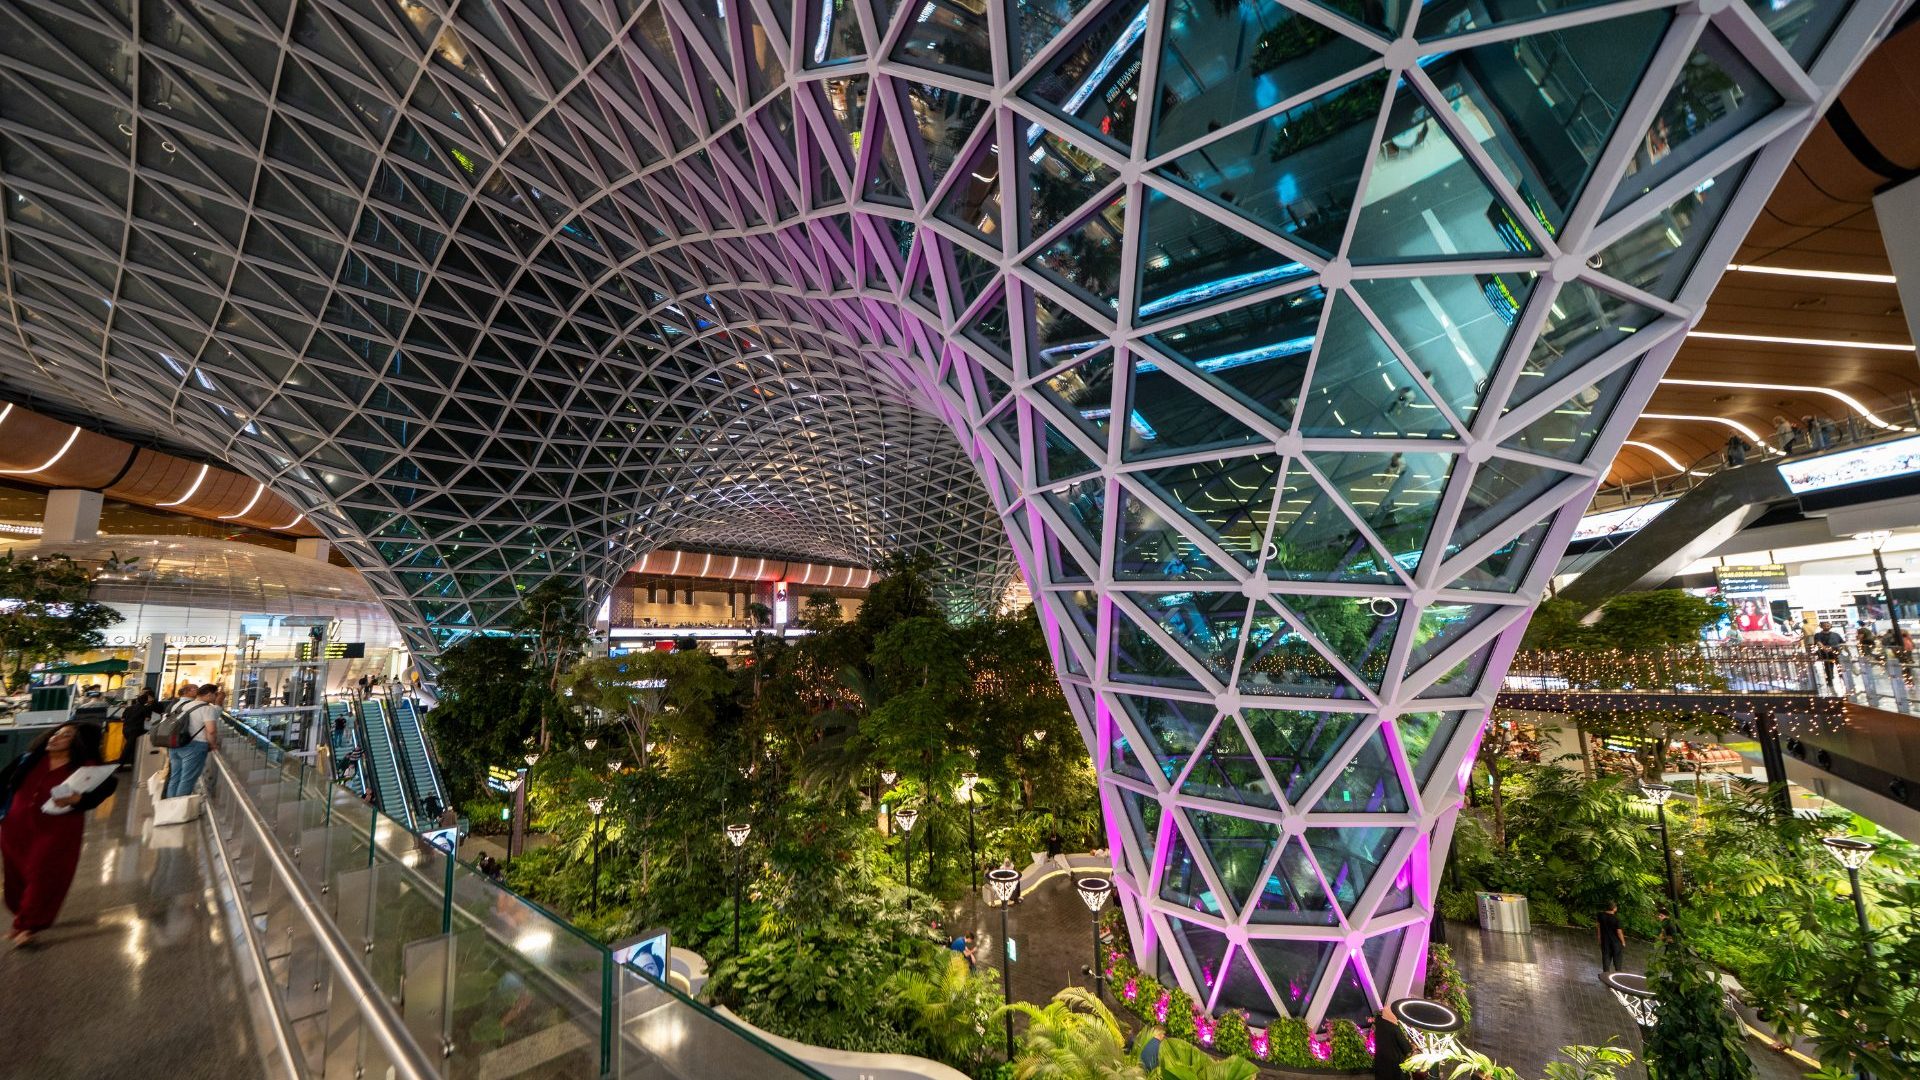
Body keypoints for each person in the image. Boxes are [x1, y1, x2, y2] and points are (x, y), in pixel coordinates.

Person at [0, 723, 119, 944]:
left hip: (56, 829)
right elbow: (3, 783)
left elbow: (109, 785)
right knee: (15, 875)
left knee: (43, 874)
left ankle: (27, 925)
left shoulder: (85, 768)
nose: (55, 738)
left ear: (77, 743)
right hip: (14, 828)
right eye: (55, 733)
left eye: (65, 736)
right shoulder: (29, 759)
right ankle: (23, 914)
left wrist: (79, 800)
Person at [162, 685, 222, 799]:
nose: (215, 697)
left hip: (177, 744)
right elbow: (211, 730)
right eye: (215, 694)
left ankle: (170, 806)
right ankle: (179, 811)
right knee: (187, 779)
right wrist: (213, 745)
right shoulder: (207, 708)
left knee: (175, 777)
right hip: (195, 746)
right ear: (209, 694)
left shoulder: (184, 705)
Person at [117, 689, 158, 768]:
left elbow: (122, 719)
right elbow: (147, 719)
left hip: (125, 729)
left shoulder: (129, 708)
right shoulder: (145, 708)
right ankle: (119, 764)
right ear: (145, 701)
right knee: (128, 748)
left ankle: (133, 763)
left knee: (132, 746)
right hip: (136, 730)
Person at [1372, 1004, 1413, 1080]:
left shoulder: (1379, 1023)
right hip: (1394, 1063)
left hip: (1381, 1059)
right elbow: (1406, 1047)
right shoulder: (1394, 1028)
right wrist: (1411, 1047)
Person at [1814, 622, 1846, 692]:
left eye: (1828, 625)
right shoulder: (1818, 635)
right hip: (1826, 654)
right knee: (1828, 668)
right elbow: (1818, 642)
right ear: (1821, 626)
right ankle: (1830, 681)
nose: (1827, 627)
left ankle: (1844, 681)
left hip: (1837, 653)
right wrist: (1824, 648)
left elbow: (1842, 643)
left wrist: (1843, 650)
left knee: (1840, 668)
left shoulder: (1836, 634)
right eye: (1825, 626)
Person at [1598, 901, 1626, 973]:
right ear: (1614, 908)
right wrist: (1623, 942)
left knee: (1606, 957)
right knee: (1617, 959)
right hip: (1616, 943)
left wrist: (1599, 938)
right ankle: (1618, 973)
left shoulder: (1601, 915)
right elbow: (1619, 932)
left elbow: (1598, 927)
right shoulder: (1616, 919)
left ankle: (1606, 973)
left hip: (1605, 941)